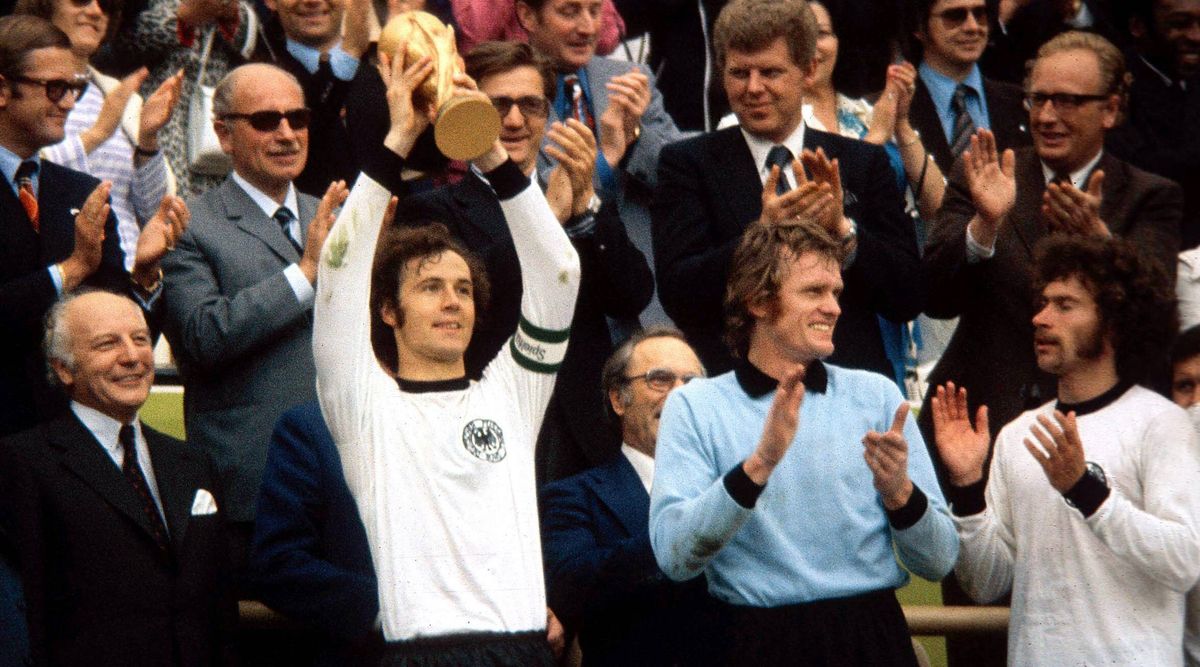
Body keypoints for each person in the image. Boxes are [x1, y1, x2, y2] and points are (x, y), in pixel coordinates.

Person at [919, 31, 1183, 665]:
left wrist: (1100, 243)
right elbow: (932, 294)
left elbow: (1155, 317)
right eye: (1037, 98)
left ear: (1111, 109)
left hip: (1107, 441)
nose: (1046, 115)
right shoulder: (987, 172)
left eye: (1068, 100)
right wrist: (983, 225)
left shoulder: (1149, 194)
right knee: (983, 632)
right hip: (988, 442)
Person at [312, 43, 579, 662]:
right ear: (387, 311)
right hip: (421, 652)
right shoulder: (361, 401)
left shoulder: (514, 391)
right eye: (429, 287)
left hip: (522, 648)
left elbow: (560, 270)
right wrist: (400, 135)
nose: (452, 301)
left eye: (462, 288)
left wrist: (489, 150)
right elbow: (341, 266)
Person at [649, 219, 957, 666]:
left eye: (836, 292)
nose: (833, 307)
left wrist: (900, 494)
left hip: (873, 639)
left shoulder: (879, 396)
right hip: (755, 642)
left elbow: (940, 560)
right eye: (814, 291)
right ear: (757, 300)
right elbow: (674, 555)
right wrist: (760, 464)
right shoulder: (695, 407)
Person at [931, 234, 1200, 665]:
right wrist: (967, 490)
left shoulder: (1161, 423)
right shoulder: (1017, 435)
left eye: (1064, 305)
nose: (1040, 317)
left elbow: (1185, 562)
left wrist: (1088, 492)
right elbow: (986, 582)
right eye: (1041, 303)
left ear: (1112, 322)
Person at [397, 40, 653, 482]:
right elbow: (474, 302)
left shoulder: (574, 191)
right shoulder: (433, 209)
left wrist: (590, 207)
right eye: (498, 105)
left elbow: (632, 294)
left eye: (531, 105)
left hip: (587, 429)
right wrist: (546, 222)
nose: (515, 121)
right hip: (494, 426)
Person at [653, 0, 923, 378]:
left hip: (848, 390)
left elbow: (908, 295)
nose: (753, 88)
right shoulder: (687, 164)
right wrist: (759, 237)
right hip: (737, 394)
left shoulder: (862, 162)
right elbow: (680, 296)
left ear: (808, 70)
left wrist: (844, 233)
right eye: (739, 73)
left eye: (770, 72)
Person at [160, 62, 346, 559]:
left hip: (347, 469)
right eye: (265, 121)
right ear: (224, 133)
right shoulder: (191, 225)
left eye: (297, 119)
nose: (286, 134)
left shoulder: (334, 215)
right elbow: (202, 336)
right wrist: (304, 275)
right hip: (252, 477)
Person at [0, 290, 235, 667]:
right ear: (64, 368)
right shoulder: (24, 464)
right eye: (107, 344)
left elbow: (218, 607)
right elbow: (26, 610)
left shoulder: (192, 463)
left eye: (140, 339)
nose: (131, 357)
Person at [0, 15, 185, 438]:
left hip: (73, 447)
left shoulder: (80, 191)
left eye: (75, 88)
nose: (69, 103)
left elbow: (120, 345)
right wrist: (70, 271)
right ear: (3, 90)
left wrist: (143, 276)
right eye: (55, 88)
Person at [540, 326, 715, 666]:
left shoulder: (736, 487)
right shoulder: (574, 496)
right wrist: (683, 533)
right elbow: (572, 586)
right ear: (618, 399)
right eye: (660, 379)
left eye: (692, 383)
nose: (679, 395)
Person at [517, 0, 683, 325]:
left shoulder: (630, 79)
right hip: (560, 305)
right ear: (527, 15)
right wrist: (604, 159)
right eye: (569, 11)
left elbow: (679, 179)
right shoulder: (508, 93)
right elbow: (530, 198)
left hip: (645, 303)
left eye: (595, 10)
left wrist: (634, 136)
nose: (588, 27)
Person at [15, 0, 183, 273]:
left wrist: (149, 141)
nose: (95, 11)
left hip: (129, 275)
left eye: (107, 4)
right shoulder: (20, 91)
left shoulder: (120, 96)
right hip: (57, 274)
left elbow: (155, 213)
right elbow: (14, 171)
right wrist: (97, 135)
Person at [247, 402, 381, 666]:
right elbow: (277, 562)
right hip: (370, 651)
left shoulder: (471, 423)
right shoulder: (312, 428)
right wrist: (386, 609)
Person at [125, 0, 259, 196]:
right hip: (157, 100)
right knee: (165, 189)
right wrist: (183, 17)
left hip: (210, 106)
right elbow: (123, 41)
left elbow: (252, 44)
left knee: (211, 189)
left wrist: (231, 13)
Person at [1107, 0, 1200, 249]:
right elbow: (1145, 172)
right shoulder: (1113, 87)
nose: (1196, 36)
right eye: (1180, 24)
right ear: (1138, 26)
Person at [260, 0, 372, 196]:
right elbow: (311, 131)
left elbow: (425, 162)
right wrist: (349, 55)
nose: (312, 1)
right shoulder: (257, 73)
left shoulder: (378, 64)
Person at [904, 0, 1028, 176]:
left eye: (980, 14)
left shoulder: (1020, 102)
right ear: (918, 27)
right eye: (954, 16)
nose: (972, 26)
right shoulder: (891, 106)